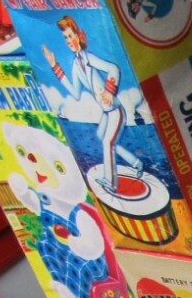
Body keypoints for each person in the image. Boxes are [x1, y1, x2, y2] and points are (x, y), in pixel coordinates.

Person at [43, 18, 141, 194]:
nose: (69, 41)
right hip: (106, 113)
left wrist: (110, 92)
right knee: (104, 138)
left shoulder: (89, 58)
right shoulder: (76, 65)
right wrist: (55, 66)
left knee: (108, 143)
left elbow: (113, 69)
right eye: (65, 38)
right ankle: (136, 162)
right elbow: (75, 93)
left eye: (70, 36)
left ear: (78, 36)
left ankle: (111, 183)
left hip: (115, 110)